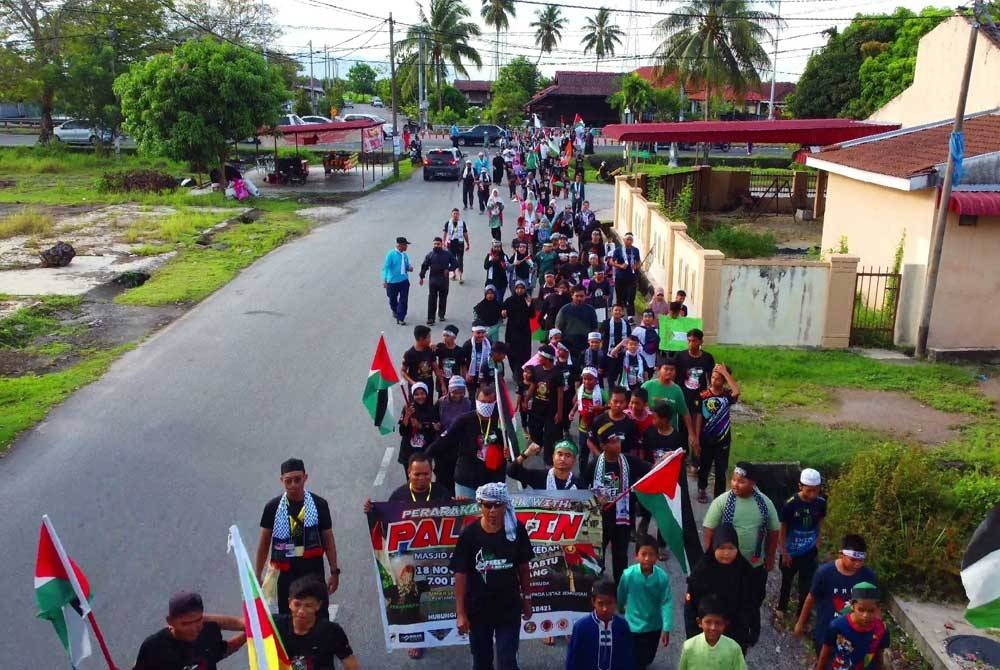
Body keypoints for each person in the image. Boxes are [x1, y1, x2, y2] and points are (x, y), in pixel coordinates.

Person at [451, 482, 534, 670]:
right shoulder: (469, 535)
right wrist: (461, 613)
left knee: (507, 661)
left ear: (506, 505)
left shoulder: (516, 531)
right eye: (488, 505)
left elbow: (523, 568)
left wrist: (527, 599)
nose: (493, 511)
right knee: (481, 662)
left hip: (508, 609)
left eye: (498, 505)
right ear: (481, 506)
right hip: (478, 611)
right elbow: (461, 574)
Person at [702, 462, 779, 648]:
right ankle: (728, 631)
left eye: (741, 481)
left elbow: (774, 530)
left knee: (754, 598)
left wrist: (769, 557)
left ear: (752, 483)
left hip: (754, 564)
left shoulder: (764, 503)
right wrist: (709, 558)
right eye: (734, 480)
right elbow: (709, 529)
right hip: (728, 564)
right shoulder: (722, 502)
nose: (735, 484)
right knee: (728, 598)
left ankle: (751, 631)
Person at [256, 459, 340, 618]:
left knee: (319, 619)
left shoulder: (319, 504)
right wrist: (257, 575)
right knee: (288, 620)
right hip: (286, 573)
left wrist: (334, 571)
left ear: (305, 478)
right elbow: (264, 544)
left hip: (313, 571)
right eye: (288, 481)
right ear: (282, 481)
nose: (293, 485)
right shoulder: (272, 508)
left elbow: (328, 540)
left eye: (297, 479)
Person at [584, 425, 650, 583]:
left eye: (618, 441)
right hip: (599, 520)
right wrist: (595, 497)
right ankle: (598, 588)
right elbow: (581, 487)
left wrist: (667, 459)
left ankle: (620, 591)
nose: (618, 445)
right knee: (597, 556)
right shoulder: (594, 465)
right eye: (613, 442)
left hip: (623, 520)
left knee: (620, 557)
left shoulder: (629, 461)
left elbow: (651, 470)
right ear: (603, 446)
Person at [794, 535, 877, 653]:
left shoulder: (867, 576)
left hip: (853, 635)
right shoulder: (824, 573)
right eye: (853, 560)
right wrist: (800, 623)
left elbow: (873, 605)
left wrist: (877, 629)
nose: (857, 564)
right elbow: (811, 597)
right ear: (841, 554)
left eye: (861, 561)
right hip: (825, 632)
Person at [426, 385, 508, 499]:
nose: (486, 405)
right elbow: (443, 441)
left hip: (493, 481)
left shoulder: (502, 420)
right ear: (476, 401)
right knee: (467, 516)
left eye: (490, 402)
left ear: (495, 402)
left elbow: (515, 446)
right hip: (467, 481)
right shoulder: (464, 420)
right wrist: (423, 458)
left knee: (493, 515)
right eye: (483, 401)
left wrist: (510, 451)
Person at [684, 522, 757, 651]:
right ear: (713, 547)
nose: (726, 553)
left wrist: (753, 631)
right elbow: (690, 608)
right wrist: (692, 636)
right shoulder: (701, 572)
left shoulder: (745, 571)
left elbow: (751, 604)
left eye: (731, 548)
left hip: (734, 635)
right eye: (721, 548)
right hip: (705, 634)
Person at [133, 592, 246, 670]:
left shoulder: (209, 632)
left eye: (198, 620)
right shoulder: (154, 646)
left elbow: (222, 651)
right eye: (185, 624)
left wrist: (250, 633)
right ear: (170, 621)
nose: (193, 628)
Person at [274, 576, 362, 668]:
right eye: (297, 604)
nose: (301, 611)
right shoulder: (275, 625)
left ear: (318, 605)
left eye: (308, 606)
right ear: (289, 603)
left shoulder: (331, 631)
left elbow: (351, 664)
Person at [778, 468, 827, 618]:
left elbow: (820, 521)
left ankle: (801, 613)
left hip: (809, 550)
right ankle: (782, 607)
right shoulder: (790, 505)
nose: (813, 494)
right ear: (800, 486)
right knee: (786, 581)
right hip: (791, 551)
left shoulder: (821, 503)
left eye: (816, 490)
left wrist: (818, 539)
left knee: (806, 585)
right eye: (809, 490)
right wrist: (784, 552)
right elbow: (783, 528)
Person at [617, 535, 672, 669]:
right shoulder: (628, 575)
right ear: (636, 556)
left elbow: (666, 601)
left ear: (657, 556)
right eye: (644, 554)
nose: (647, 558)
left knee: (649, 656)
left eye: (651, 554)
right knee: (634, 657)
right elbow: (621, 592)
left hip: (654, 625)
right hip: (633, 624)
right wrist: (620, 606)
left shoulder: (662, 578)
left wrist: (666, 627)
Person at [816, 583, 889, 670]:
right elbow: (825, 652)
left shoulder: (881, 629)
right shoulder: (837, 626)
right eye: (861, 610)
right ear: (852, 606)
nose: (865, 615)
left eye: (871, 611)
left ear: (877, 608)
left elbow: (879, 655)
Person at [565, 579, 635, 670]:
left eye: (609, 603)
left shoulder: (622, 626)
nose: (605, 608)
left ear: (616, 602)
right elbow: (573, 658)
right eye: (600, 603)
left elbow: (628, 657)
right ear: (593, 602)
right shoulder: (581, 627)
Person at [696, 364, 740, 502]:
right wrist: (696, 438)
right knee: (705, 465)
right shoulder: (703, 395)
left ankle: (719, 497)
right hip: (706, 439)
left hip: (723, 439)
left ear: (724, 381)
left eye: (719, 379)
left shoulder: (727, 395)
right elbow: (698, 417)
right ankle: (702, 489)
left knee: (721, 470)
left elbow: (737, 391)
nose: (715, 381)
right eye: (713, 377)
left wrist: (725, 372)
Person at [677, 596, 746, 670]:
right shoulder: (689, 647)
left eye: (718, 623)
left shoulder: (734, 649)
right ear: (699, 622)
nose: (713, 627)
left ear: (725, 624)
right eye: (708, 622)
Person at [527, 344, 565, 465]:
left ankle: (548, 459)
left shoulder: (557, 373)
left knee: (550, 435)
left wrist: (559, 413)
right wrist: (526, 399)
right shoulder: (537, 369)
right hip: (537, 407)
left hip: (551, 410)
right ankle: (538, 444)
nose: (538, 358)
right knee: (533, 429)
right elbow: (533, 385)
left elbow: (560, 395)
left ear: (547, 358)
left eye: (540, 356)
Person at [397, 382, 440, 480]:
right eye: (416, 394)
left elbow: (435, 428)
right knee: (411, 482)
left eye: (422, 393)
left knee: (424, 480)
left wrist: (421, 426)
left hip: (424, 453)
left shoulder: (432, 409)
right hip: (408, 453)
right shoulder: (408, 409)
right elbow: (402, 432)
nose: (420, 396)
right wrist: (407, 417)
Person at [568, 367, 605, 475]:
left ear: (596, 380)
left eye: (590, 379)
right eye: (584, 379)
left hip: (597, 428)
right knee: (583, 452)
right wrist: (572, 411)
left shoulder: (601, 392)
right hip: (583, 427)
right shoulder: (581, 390)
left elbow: (609, 406)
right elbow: (577, 402)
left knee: (596, 453)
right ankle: (583, 474)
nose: (587, 382)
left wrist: (600, 408)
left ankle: (596, 474)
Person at [508, 439, 586, 490]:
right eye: (559, 454)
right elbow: (511, 472)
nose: (563, 459)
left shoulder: (579, 484)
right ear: (553, 457)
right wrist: (526, 454)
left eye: (568, 456)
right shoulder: (539, 477)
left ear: (574, 461)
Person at [586, 386, 638, 458]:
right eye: (615, 401)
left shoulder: (630, 423)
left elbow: (633, 448)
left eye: (621, 402)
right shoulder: (598, 420)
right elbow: (590, 441)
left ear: (626, 403)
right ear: (609, 402)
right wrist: (600, 457)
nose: (618, 405)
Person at [420, 237, 458, 326]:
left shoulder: (447, 254)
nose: (436, 245)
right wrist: (421, 276)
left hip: (444, 280)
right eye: (435, 244)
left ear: (442, 244)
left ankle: (441, 314)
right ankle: (430, 318)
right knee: (432, 299)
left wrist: (449, 269)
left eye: (438, 244)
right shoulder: (430, 255)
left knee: (443, 298)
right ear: (433, 244)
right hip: (433, 280)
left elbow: (455, 263)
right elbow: (424, 266)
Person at [555, 285, 599, 359]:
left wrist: (594, 342)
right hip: (568, 344)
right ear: (572, 295)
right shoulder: (564, 309)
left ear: (585, 296)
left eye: (582, 296)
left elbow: (595, 327)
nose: (579, 298)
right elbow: (558, 329)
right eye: (577, 296)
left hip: (586, 345)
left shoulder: (590, 310)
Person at [502, 280, 536, 374]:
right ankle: (515, 372)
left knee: (524, 354)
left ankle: (522, 374)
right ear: (515, 289)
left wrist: (529, 306)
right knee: (511, 353)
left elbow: (532, 315)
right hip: (512, 331)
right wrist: (503, 314)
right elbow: (503, 312)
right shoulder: (509, 300)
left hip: (524, 331)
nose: (520, 290)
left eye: (522, 288)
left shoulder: (528, 300)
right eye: (518, 288)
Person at [402, 325, 438, 402]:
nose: (430, 340)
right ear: (421, 339)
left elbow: (436, 368)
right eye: (428, 337)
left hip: (428, 387)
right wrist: (413, 383)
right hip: (415, 390)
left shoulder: (430, 350)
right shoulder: (409, 354)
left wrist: (443, 384)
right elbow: (403, 371)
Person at [382, 236, 413, 326]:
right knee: (392, 299)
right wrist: (385, 280)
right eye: (405, 245)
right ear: (400, 245)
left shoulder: (404, 255)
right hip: (392, 282)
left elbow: (406, 265)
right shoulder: (391, 255)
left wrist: (409, 268)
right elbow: (386, 268)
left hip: (404, 281)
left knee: (403, 300)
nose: (407, 247)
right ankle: (395, 310)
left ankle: (401, 317)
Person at [610, 233, 641, 317]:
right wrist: (620, 266)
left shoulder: (635, 250)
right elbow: (611, 262)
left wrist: (636, 266)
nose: (629, 241)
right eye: (627, 239)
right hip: (620, 277)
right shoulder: (618, 250)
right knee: (620, 298)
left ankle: (630, 316)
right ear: (624, 240)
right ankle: (619, 314)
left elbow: (638, 261)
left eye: (631, 239)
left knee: (631, 297)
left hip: (631, 278)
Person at [436, 324, 469, 397]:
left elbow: (463, 367)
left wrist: (463, 382)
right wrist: (431, 344)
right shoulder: (440, 347)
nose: (444, 338)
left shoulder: (460, 351)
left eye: (447, 336)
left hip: (455, 381)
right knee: (442, 400)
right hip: (442, 380)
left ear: (454, 337)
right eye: (444, 335)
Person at [463, 324, 492, 397]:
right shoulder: (468, 344)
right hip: (472, 374)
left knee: (482, 395)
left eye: (483, 333)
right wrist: (466, 374)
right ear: (473, 332)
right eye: (478, 333)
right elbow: (462, 361)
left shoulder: (489, 343)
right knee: (472, 395)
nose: (481, 335)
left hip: (484, 373)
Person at [444, 208, 471, 284]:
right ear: (451, 214)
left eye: (457, 214)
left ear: (459, 215)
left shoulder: (462, 223)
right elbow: (445, 233)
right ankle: (453, 274)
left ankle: (460, 276)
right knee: (451, 259)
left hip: (460, 243)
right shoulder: (447, 223)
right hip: (450, 243)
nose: (455, 215)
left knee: (460, 259)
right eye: (454, 214)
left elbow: (465, 233)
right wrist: (443, 242)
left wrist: (468, 243)